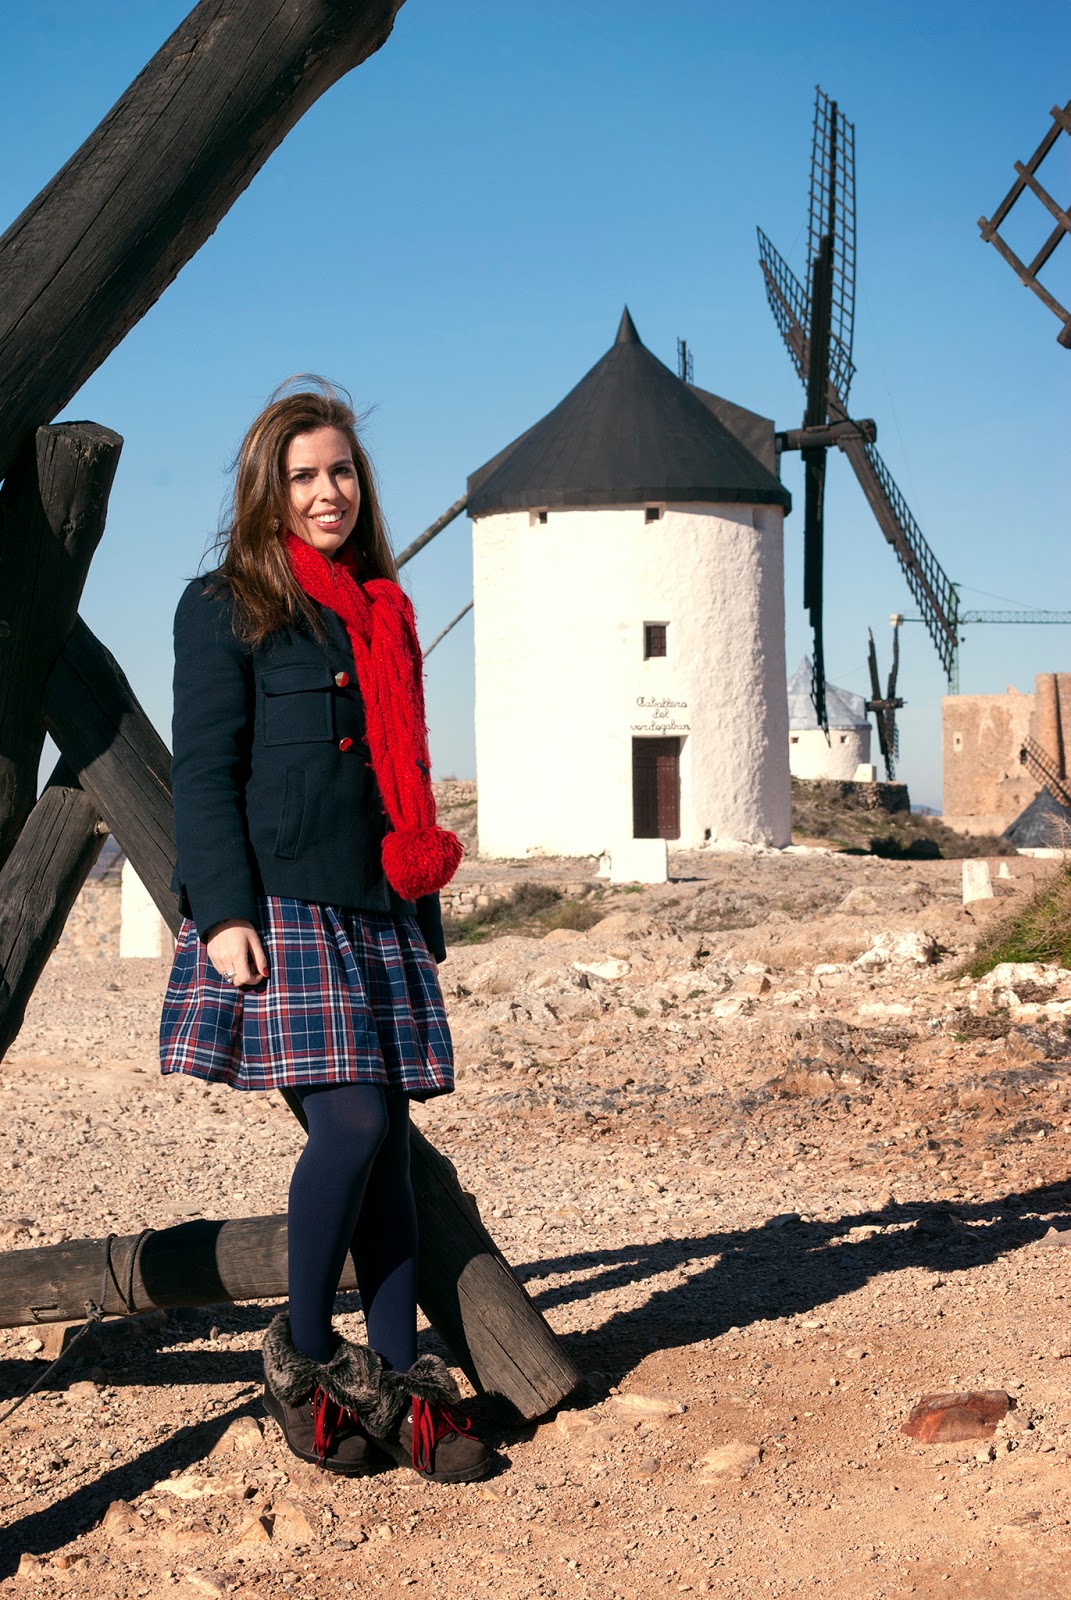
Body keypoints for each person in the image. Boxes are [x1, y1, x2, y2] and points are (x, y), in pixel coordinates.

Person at [159, 378, 489, 1484]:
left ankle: (397, 1385)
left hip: (378, 907)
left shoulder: (383, 608)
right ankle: (302, 1361)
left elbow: (401, 776)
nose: (326, 491)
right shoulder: (224, 605)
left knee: (386, 1147)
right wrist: (223, 912)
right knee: (351, 1128)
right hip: (282, 907)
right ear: (269, 489)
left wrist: (420, 914)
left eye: (340, 471)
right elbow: (204, 772)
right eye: (302, 475)